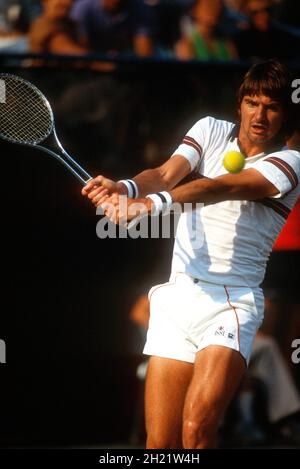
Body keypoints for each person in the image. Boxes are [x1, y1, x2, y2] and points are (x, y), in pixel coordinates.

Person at [82, 59, 300, 448]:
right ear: (239, 105)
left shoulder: (290, 163)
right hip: (177, 297)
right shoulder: (209, 130)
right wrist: (127, 188)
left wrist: (149, 206)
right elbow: (165, 175)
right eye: (252, 102)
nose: (260, 115)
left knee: (197, 431)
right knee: (159, 445)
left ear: (285, 115)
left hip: (231, 302)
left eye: (272, 106)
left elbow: (222, 188)